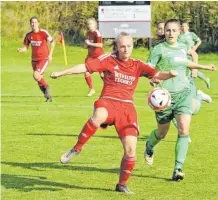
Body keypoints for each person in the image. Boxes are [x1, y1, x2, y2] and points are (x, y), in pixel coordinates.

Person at [50, 32, 177, 194]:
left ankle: (121, 184)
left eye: (129, 46)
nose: (126, 50)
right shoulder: (108, 59)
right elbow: (86, 67)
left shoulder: (137, 64)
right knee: (99, 115)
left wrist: (170, 75)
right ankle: (77, 148)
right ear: (116, 47)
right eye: (122, 46)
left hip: (127, 109)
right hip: (108, 101)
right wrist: (62, 73)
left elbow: (157, 74)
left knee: (131, 150)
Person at [143, 19, 216, 181]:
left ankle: (177, 169)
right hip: (164, 98)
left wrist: (203, 67)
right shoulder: (158, 49)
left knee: (184, 130)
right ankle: (149, 146)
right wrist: (153, 79)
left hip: (183, 94)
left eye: (174, 30)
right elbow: (149, 70)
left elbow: (186, 62)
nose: (171, 33)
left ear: (179, 32)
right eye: (168, 30)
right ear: (164, 32)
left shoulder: (183, 47)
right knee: (162, 133)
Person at [17, 16, 56, 102]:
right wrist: (21, 49)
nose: (34, 24)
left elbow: (53, 42)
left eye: (35, 22)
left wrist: (50, 55)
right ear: (30, 24)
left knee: (36, 75)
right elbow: (26, 47)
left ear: (38, 23)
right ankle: (48, 97)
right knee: (38, 79)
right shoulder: (28, 35)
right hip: (34, 60)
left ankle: (46, 87)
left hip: (43, 59)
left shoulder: (43, 33)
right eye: (32, 22)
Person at [179, 21, 211, 89]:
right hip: (183, 55)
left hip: (191, 55)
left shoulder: (191, 34)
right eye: (182, 26)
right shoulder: (180, 35)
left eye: (185, 26)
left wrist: (195, 47)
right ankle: (205, 79)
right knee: (191, 69)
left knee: (192, 69)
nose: (183, 27)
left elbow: (199, 41)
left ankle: (188, 86)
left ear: (188, 27)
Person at [84, 18, 104, 97]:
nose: (90, 25)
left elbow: (100, 45)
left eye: (91, 24)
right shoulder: (88, 33)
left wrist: (89, 43)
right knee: (86, 72)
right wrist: (86, 45)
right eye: (88, 24)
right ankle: (91, 89)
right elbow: (88, 44)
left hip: (99, 56)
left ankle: (109, 88)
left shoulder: (97, 33)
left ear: (95, 24)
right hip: (90, 56)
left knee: (102, 74)